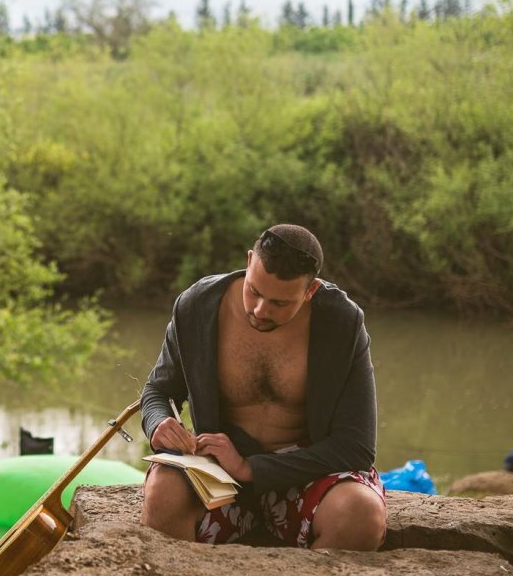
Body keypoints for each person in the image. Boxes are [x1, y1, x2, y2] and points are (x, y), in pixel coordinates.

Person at [139, 224, 386, 549]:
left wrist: (251, 468)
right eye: (254, 291)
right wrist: (159, 423)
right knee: (163, 491)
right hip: (220, 475)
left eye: (280, 304)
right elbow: (158, 392)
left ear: (310, 291)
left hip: (306, 473)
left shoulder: (341, 321)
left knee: (361, 514)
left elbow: (356, 447)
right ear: (250, 259)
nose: (259, 310)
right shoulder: (198, 305)